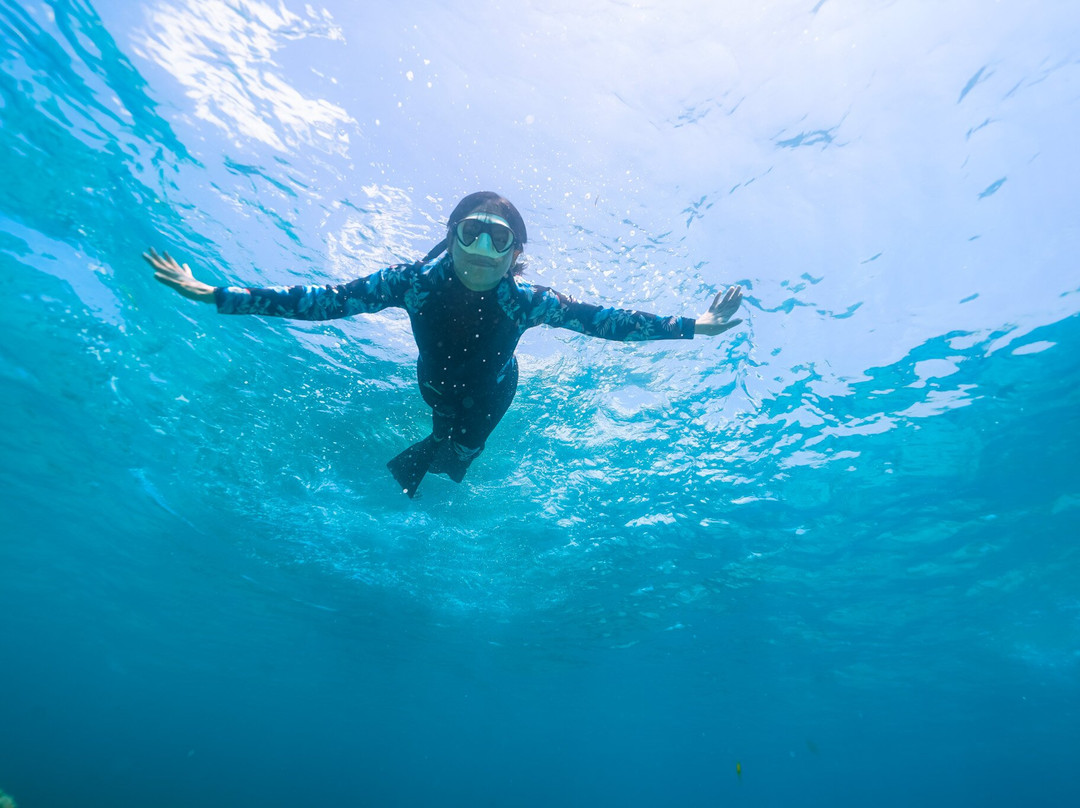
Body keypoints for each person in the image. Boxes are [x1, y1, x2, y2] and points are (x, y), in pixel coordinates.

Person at [146, 191, 743, 497]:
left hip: (494, 393)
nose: (482, 250)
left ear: (516, 253)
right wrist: (214, 294)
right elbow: (321, 301)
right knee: (440, 431)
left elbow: (605, 321)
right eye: (471, 233)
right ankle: (430, 452)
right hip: (433, 384)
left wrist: (696, 326)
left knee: (464, 455)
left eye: (498, 238)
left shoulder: (528, 300)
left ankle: (444, 461)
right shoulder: (410, 283)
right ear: (450, 237)